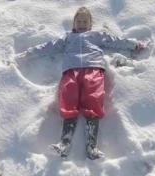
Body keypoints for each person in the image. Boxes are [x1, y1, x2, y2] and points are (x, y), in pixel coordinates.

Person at [16, 7, 147, 159]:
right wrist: (29, 53)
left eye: (85, 21)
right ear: (74, 23)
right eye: (79, 21)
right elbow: (49, 46)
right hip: (71, 71)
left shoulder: (97, 35)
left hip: (93, 69)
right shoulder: (68, 38)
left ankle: (91, 147)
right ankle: (64, 144)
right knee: (68, 98)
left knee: (94, 100)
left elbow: (115, 41)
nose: (82, 23)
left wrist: (133, 44)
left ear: (90, 24)